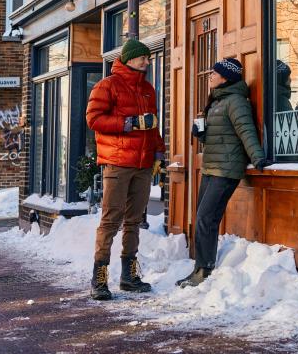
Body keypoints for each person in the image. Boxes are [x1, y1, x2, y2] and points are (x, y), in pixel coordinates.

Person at [86, 38, 166, 301]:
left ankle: (128, 276)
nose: (147, 61)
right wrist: (128, 122)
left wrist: (158, 154)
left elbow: (153, 126)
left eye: (148, 57)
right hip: (118, 163)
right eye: (142, 57)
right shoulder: (107, 86)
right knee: (110, 220)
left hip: (143, 165)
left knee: (133, 221)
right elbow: (93, 119)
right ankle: (99, 278)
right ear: (129, 59)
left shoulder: (147, 89)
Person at [177, 57, 266, 288]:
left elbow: (246, 131)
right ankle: (200, 267)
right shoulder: (218, 101)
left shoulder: (236, 102)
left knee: (206, 218)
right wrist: (201, 134)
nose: (210, 76)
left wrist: (257, 157)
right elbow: (221, 137)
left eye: (214, 73)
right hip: (212, 166)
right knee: (202, 217)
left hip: (226, 169)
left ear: (225, 77)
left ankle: (204, 270)